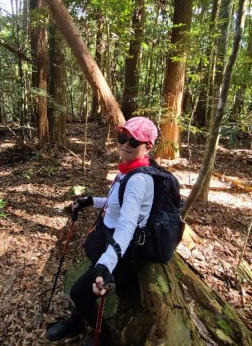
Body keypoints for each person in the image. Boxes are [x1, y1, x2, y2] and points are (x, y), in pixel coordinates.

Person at [46, 116, 158, 344]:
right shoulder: (128, 170)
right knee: (85, 290)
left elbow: (127, 225)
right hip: (108, 242)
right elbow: (115, 202)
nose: (126, 144)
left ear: (147, 147)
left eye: (134, 142)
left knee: (78, 292)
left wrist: (106, 265)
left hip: (121, 252)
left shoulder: (138, 180)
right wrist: (91, 201)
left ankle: (105, 337)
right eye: (123, 137)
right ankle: (77, 321)